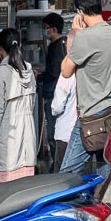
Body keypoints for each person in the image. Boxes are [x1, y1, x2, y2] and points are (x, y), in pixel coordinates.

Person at [59, 0, 111, 174]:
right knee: (105, 170)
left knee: (67, 174)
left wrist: (75, 34)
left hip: (91, 116)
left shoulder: (84, 37)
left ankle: (71, 203)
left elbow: (65, 71)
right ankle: (102, 203)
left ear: (80, 12)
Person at [0, 28, 37, 183]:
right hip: (28, 138)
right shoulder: (28, 69)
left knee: (2, 195)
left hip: (7, 139)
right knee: (23, 191)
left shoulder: (1, 72)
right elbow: (32, 105)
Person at [40, 13, 66, 170]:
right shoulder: (61, 45)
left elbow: (53, 72)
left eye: (46, 28)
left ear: (54, 29)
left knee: (54, 134)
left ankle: (58, 168)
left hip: (54, 94)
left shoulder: (57, 48)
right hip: (56, 93)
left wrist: (40, 75)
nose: (44, 31)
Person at [50, 71, 77, 172]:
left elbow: (57, 107)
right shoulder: (87, 72)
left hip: (65, 132)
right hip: (85, 132)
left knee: (61, 175)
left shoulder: (66, 75)